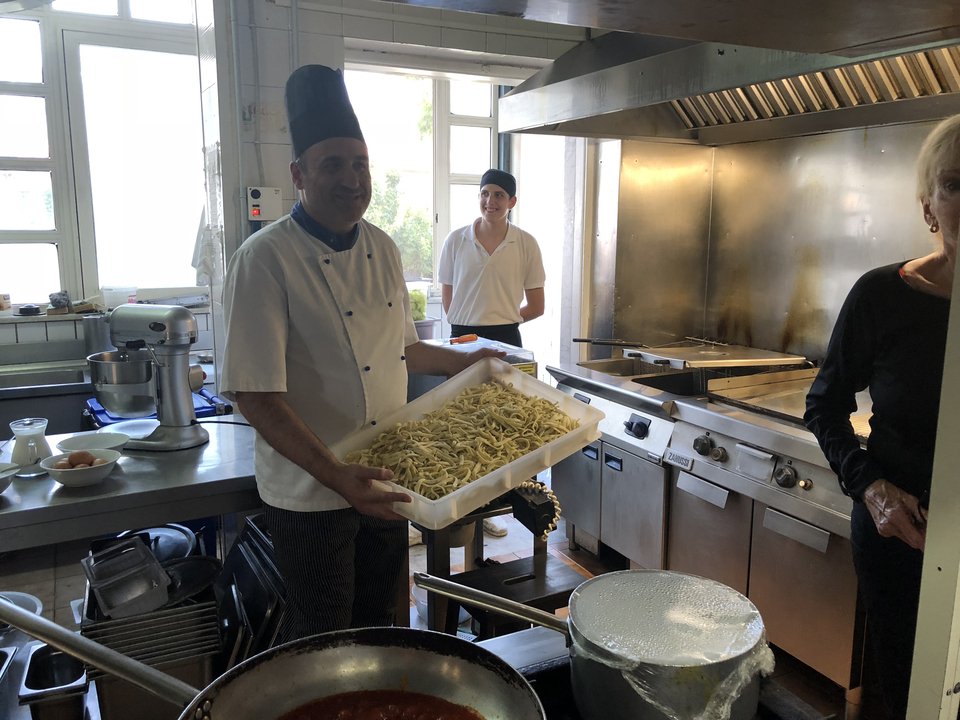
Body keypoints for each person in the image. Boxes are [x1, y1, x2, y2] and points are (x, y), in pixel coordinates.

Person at [220, 64, 503, 641]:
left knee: (379, 624)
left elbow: (404, 352)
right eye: (333, 165)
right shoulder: (265, 259)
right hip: (310, 493)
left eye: (360, 164)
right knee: (322, 636)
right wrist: (336, 475)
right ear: (298, 174)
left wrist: (469, 363)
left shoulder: (383, 248)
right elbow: (255, 395)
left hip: (385, 475)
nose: (352, 179)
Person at [804, 114, 958, 719]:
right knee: (907, 690)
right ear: (928, 206)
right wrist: (871, 488)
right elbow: (825, 404)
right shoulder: (883, 295)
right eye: (956, 184)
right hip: (901, 536)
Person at [438, 169, 546, 537]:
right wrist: (465, 327)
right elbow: (449, 298)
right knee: (461, 422)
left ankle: (492, 507)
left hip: (506, 340)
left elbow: (537, 304)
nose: (491, 201)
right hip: (462, 338)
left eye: (499, 195)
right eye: (485, 193)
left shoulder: (525, 243)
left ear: (512, 201)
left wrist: (503, 321)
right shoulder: (456, 240)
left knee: (501, 425)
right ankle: (457, 506)